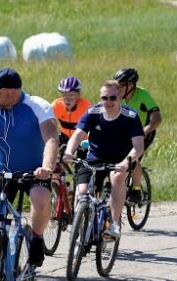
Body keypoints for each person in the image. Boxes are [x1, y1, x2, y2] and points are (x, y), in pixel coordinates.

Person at [0, 68, 59, 267]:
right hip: (3, 173)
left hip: (35, 172)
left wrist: (47, 167)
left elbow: (51, 138)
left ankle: (37, 238)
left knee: (40, 199)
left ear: (12, 91)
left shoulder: (37, 106)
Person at [62, 80, 145, 238]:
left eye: (113, 98)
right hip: (95, 157)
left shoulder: (130, 116)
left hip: (121, 159)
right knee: (82, 192)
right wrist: (68, 152)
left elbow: (138, 146)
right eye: (104, 98)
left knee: (117, 178)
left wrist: (126, 162)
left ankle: (114, 224)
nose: (108, 102)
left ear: (120, 97)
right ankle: (79, 233)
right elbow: (78, 134)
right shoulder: (93, 112)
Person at [113, 68, 161, 204]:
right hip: (125, 133)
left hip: (145, 132)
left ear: (131, 85)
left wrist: (145, 131)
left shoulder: (143, 95)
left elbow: (157, 118)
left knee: (133, 159)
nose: (118, 89)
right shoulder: (116, 97)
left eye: (121, 86)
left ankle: (137, 189)